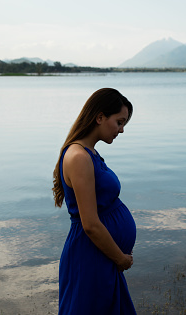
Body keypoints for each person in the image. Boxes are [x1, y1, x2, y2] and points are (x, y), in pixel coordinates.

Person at [52, 88, 137, 315]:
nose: (121, 130)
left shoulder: (90, 153)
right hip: (89, 257)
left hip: (101, 255)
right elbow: (89, 223)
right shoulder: (79, 157)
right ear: (100, 117)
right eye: (119, 122)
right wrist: (120, 258)